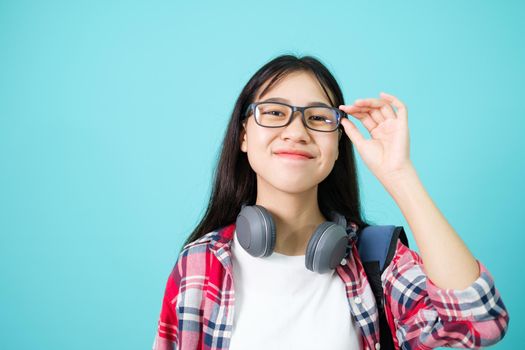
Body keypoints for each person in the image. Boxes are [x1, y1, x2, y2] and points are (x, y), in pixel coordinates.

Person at [152, 55, 509, 350]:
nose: (296, 132)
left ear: (338, 145)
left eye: (318, 118)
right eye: (275, 112)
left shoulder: (377, 263)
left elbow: (479, 322)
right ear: (244, 135)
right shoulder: (200, 264)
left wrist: (399, 175)